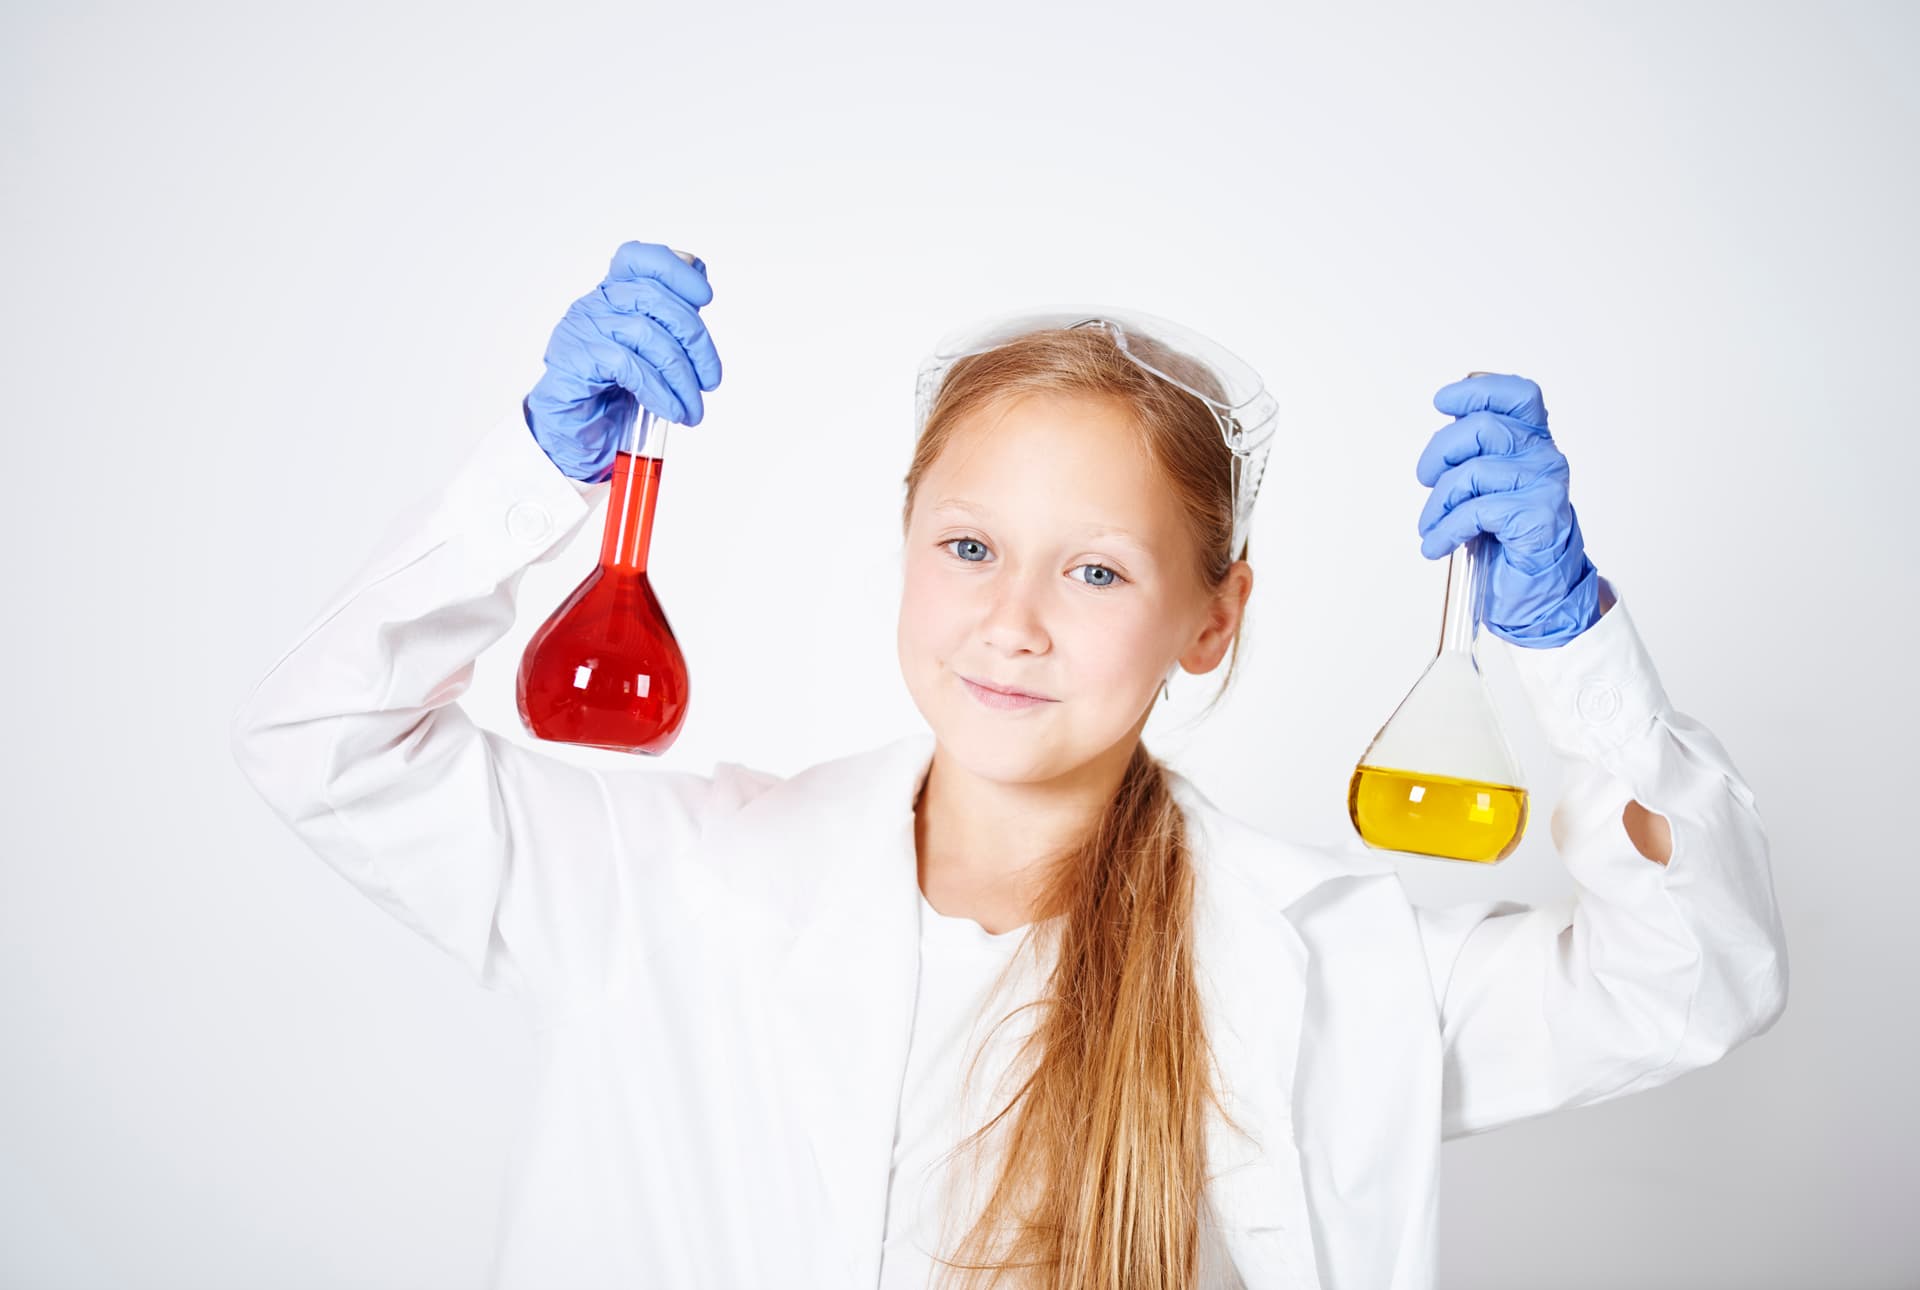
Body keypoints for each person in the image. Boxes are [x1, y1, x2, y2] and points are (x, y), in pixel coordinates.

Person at [229, 240, 1789, 1290]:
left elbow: (1690, 981)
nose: (1013, 621)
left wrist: (1575, 650)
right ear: (903, 542)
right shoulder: (673, 886)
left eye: (1098, 571)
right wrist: (536, 473)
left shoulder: (1315, 966)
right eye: (969, 544)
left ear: (1211, 617)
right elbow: (323, 744)